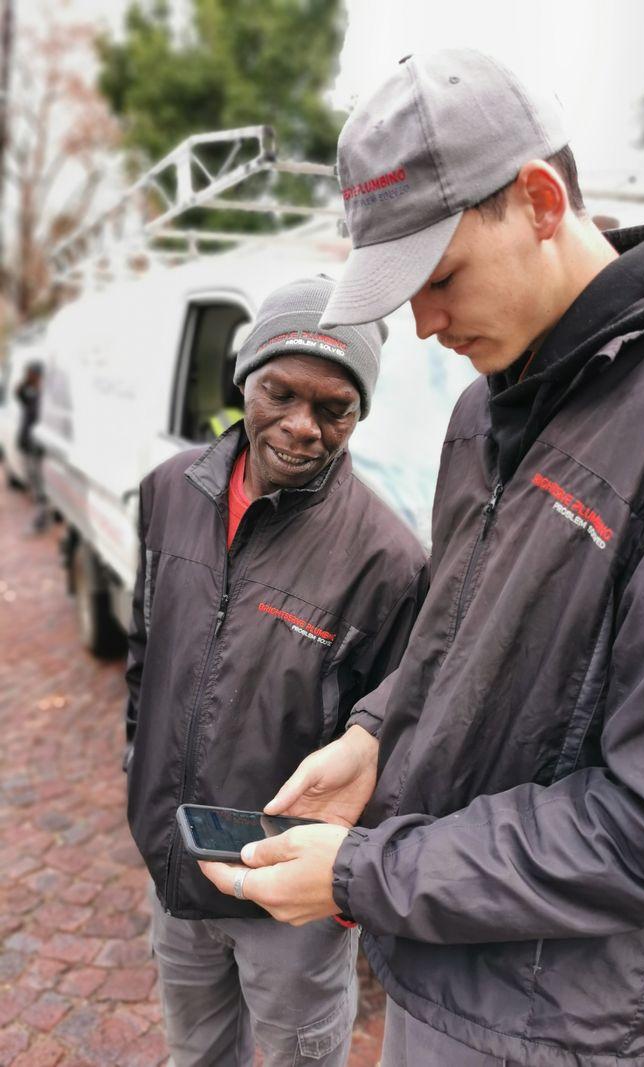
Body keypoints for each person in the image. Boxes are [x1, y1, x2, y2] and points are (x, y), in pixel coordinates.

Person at [200, 50, 644, 1067]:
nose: (423, 324)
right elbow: (459, 627)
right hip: (435, 949)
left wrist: (362, 874)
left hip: (552, 1016)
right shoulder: (484, 408)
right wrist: (375, 734)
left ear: (535, 199)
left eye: (437, 278)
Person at [125, 274, 428, 1067]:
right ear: (244, 381)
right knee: (196, 1051)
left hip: (292, 905)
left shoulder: (390, 560)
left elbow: (393, 741)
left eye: (335, 408)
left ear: (362, 412)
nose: (302, 426)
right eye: (281, 392)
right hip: (177, 863)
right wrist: (141, 769)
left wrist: (343, 878)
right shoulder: (168, 491)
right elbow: (145, 646)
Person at [15, 361, 49, 533]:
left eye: (31, 373)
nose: (28, 376)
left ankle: (41, 520)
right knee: (33, 481)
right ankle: (41, 516)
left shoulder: (43, 396)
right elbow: (18, 393)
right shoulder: (32, 393)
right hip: (29, 446)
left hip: (36, 448)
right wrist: (27, 380)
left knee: (38, 483)